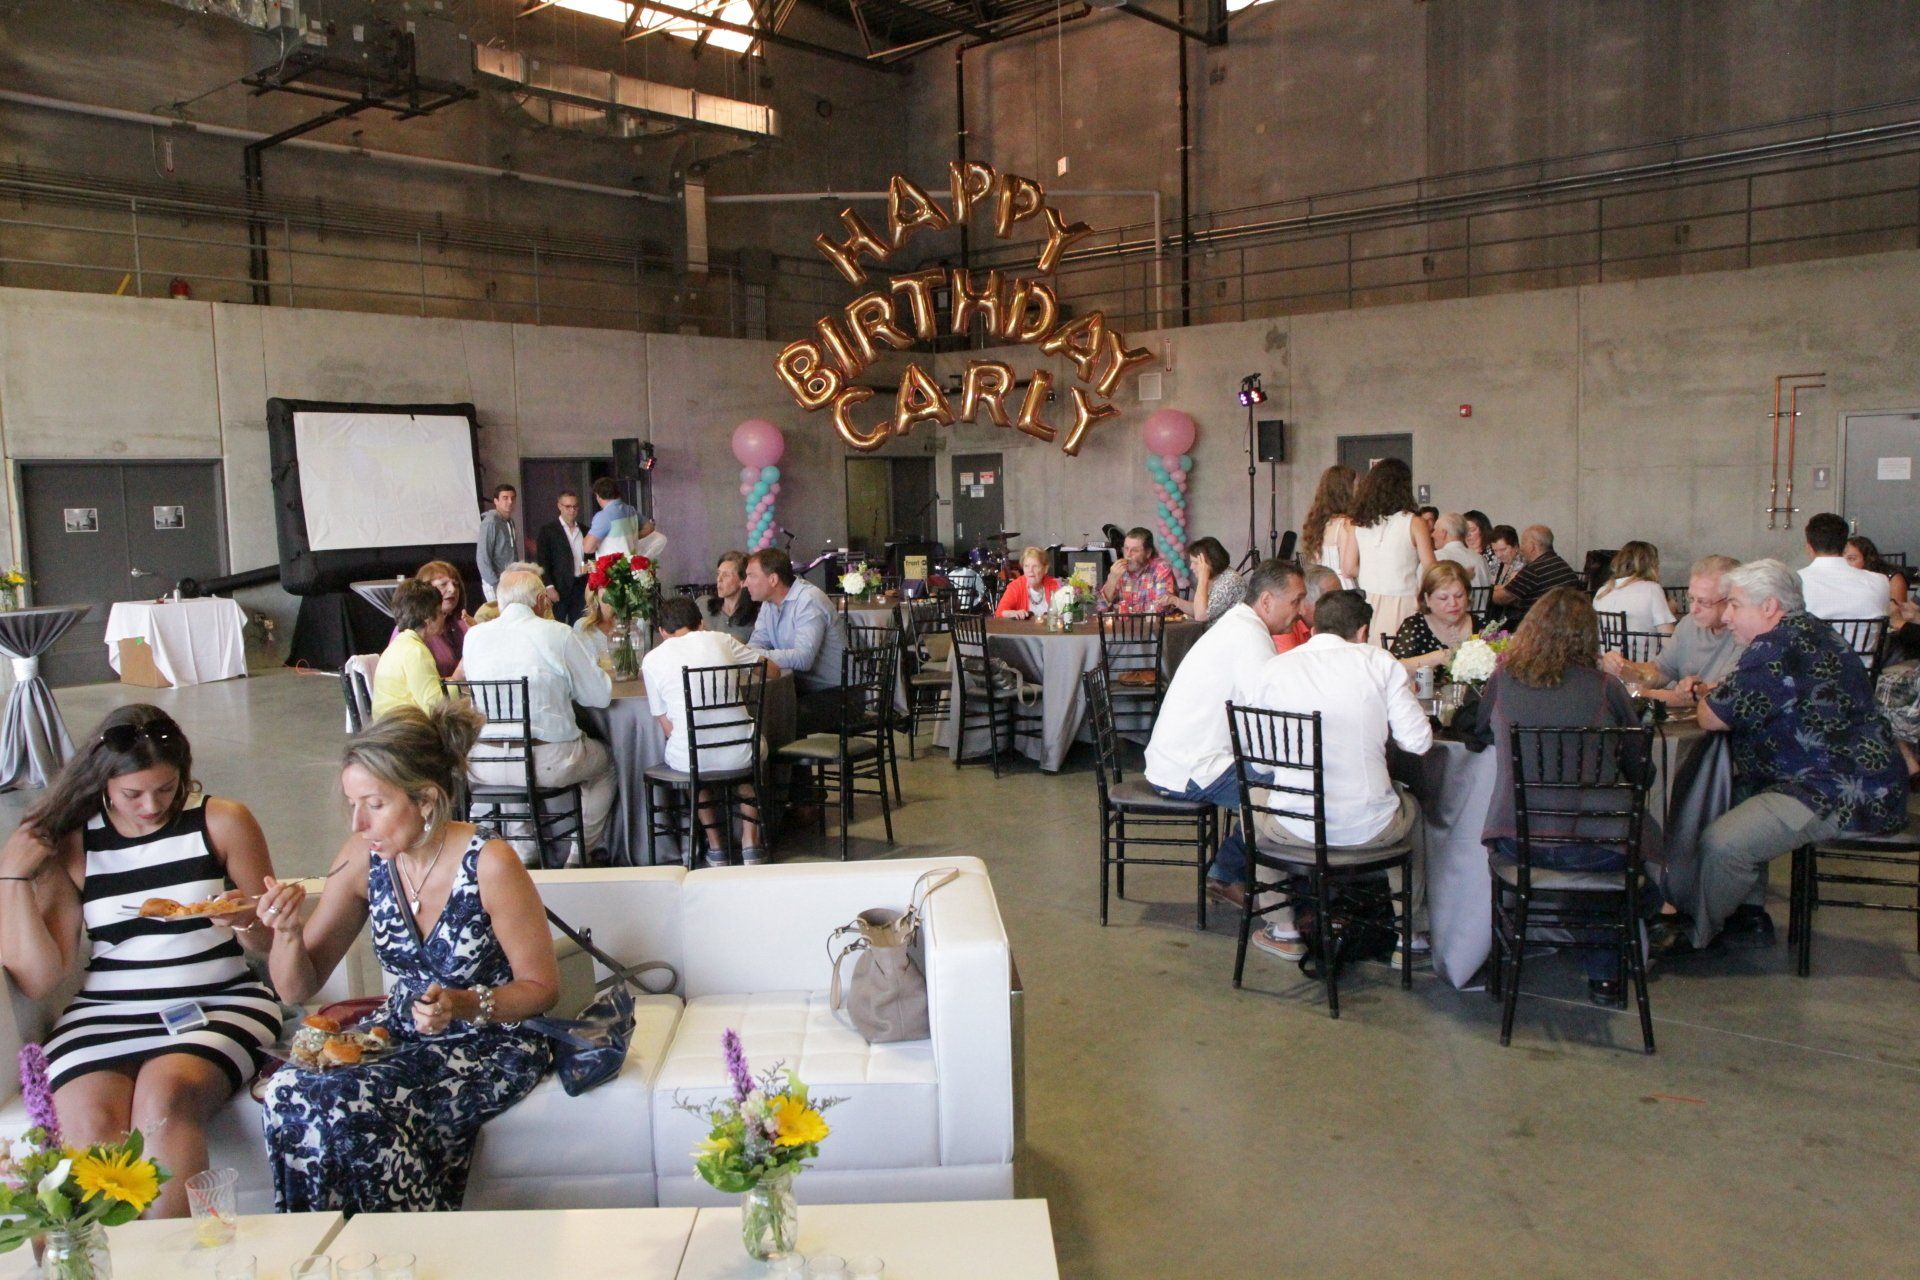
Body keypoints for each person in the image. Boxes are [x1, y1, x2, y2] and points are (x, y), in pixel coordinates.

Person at [256, 704, 558, 1214]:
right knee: (289, 1088)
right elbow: (295, 988)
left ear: (426, 800)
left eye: (373, 804)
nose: (357, 822)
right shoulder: (361, 858)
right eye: (353, 804)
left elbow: (541, 988)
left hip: (490, 1041)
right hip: (400, 1035)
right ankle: (322, 1251)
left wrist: (460, 1004)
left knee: (352, 1099)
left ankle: (406, 1248)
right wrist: (285, 933)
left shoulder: (489, 863)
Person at [0, 706, 282, 1218]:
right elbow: (41, 978)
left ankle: (170, 1262)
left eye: (166, 789)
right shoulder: (77, 842)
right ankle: (106, 1264)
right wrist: (13, 878)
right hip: (105, 1010)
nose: (152, 806)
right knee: (89, 1122)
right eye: (133, 794)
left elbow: (267, 942)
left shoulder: (223, 821)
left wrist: (246, 921)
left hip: (220, 999)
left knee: (166, 1100)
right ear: (103, 783)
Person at [1654, 559, 1906, 957]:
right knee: (1730, 798)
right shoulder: (1813, 631)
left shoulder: (1775, 647)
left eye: (1735, 605)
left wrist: (1709, 696)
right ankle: (1748, 913)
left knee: (1725, 841)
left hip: (1835, 789)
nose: (1728, 616)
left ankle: (1697, 930)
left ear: (1769, 606)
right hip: (1856, 775)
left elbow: (1713, 716)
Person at [1469, 587, 1649, 1008]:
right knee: (1633, 845)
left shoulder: (1502, 681)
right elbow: (1643, 773)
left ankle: (1509, 959)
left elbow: (1479, 732)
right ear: (1589, 637)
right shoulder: (1607, 689)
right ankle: (1606, 976)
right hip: (1594, 847)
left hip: (1518, 840)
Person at [1234, 590, 1433, 962]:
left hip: (1296, 827)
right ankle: (1411, 934)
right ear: (1362, 631)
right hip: (1370, 830)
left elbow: (1259, 763)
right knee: (1412, 809)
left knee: (1253, 803)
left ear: (1313, 625)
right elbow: (1419, 743)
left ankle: (1283, 927)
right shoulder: (1379, 662)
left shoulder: (1275, 668)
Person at [459, 567, 616, 863]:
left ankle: (526, 849)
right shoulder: (558, 633)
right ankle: (578, 854)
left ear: (501, 603)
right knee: (605, 763)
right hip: (547, 760)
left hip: (483, 762)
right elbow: (598, 696)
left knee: (515, 766)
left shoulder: (474, 637)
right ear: (543, 601)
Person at [1145, 559, 1307, 836]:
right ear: (1266, 601)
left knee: (1287, 784)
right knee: (1298, 792)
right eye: (1296, 601)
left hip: (1176, 761)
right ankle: (1234, 871)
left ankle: (1228, 872)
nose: (1301, 611)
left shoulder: (1240, 624)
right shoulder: (1249, 636)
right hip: (1193, 771)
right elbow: (1266, 719)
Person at [642, 596, 781, 866]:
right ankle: (751, 843)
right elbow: (772, 671)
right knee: (748, 751)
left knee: (691, 753)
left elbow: (668, 728)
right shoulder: (722, 639)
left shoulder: (652, 660)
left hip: (692, 758)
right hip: (741, 752)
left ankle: (716, 848)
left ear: (661, 632)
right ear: (701, 624)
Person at [1602, 555, 1743, 703]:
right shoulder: (1689, 624)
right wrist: (1622, 667)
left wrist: (1643, 694)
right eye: (1691, 599)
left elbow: (1718, 696)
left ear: (1731, 600)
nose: (1694, 609)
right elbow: (1660, 671)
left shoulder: (1744, 635)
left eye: (1704, 602)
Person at [745, 546, 849, 734]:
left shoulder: (808, 600)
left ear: (773, 579)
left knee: (769, 720)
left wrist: (752, 655)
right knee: (756, 713)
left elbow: (803, 659)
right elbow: (755, 644)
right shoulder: (768, 604)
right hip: (801, 689)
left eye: (751, 576)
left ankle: (789, 763)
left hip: (837, 695)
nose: (745, 583)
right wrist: (752, 654)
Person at [1339, 458, 1436, 643]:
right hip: (1405, 602)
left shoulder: (1357, 523)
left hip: (1368, 603)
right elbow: (1432, 569)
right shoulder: (1415, 523)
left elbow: (1349, 568)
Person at [372, 580, 450, 719]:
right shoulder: (415, 651)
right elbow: (434, 706)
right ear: (428, 619)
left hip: (388, 727)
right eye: (440, 612)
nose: (444, 617)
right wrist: (460, 681)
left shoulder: (399, 644)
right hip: (405, 732)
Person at [1798, 512, 1890, 621]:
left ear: (1809, 548)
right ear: (1845, 546)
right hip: (1864, 638)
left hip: (1813, 638)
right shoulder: (1879, 581)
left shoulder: (1795, 582)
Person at [1390, 561, 1481, 669]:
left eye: (1459, 596)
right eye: (1443, 598)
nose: (1453, 603)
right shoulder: (1415, 627)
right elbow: (1393, 668)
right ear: (1427, 599)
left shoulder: (1482, 627)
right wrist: (1437, 658)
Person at [1492, 525, 1582, 621]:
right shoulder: (1563, 565)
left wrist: (1490, 589)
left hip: (1539, 627)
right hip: (1566, 624)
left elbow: (1502, 598)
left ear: (1532, 547)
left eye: (1523, 543)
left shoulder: (1533, 570)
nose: (1521, 548)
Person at [1593, 541, 1677, 635]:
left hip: (1608, 650)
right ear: (1652, 566)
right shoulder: (1651, 589)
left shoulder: (1602, 592)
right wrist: (1670, 613)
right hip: (1643, 649)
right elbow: (1668, 638)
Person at [534, 489, 589, 625]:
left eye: (575, 506)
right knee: (557, 624)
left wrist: (589, 580)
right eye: (568, 506)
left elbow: (589, 557)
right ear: (559, 506)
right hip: (559, 586)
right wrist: (549, 586)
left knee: (580, 625)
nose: (572, 510)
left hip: (580, 585)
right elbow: (543, 561)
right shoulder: (548, 530)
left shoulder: (585, 530)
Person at [412, 560, 473, 680]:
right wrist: (458, 675)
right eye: (443, 584)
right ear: (425, 590)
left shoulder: (462, 625)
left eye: (456, 584)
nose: (452, 589)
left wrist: (477, 634)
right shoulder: (412, 629)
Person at [1301, 464, 1358, 589]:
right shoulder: (1346, 524)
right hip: (1341, 585)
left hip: (1318, 585)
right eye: (1356, 486)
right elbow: (1348, 568)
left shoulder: (1316, 522)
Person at [1099, 527, 1178, 614]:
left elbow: (1163, 608)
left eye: (1134, 550)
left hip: (1151, 626)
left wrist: (1125, 610)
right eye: (1126, 548)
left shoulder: (1161, 568)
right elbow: (1100, 609)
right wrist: (1112, 580)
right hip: (1121, 626)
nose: (1128, 555)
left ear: (1148, 553)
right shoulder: (1118, 571)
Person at [1171, 537, 1245, 621]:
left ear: (1211, 562)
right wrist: (1175, 600)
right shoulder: (1214, 577)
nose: (1191, 567)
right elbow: (1197, 608)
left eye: (1196, 563)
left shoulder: (1229, 581)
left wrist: (1202, 579)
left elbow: (1200, 615)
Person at [1275, 564, 1343, 656]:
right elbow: (1293, 667)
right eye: (1333, 601)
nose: (1342, 605)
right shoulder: (1284, 626)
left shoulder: (1339, 620)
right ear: (1305, 603)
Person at [703, 550, 760, 644]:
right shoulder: (703, 605)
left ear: (743, 581)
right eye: (718, 573)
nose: (719, 579)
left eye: (726, 575)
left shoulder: (758, 617)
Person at [475, 484, 519, 605]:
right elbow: (482, 557)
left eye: (512, 498)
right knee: (498, 616)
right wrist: (495, 582)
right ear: (496, 501)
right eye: (505, 498)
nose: (510, 501)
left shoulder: (510, 522)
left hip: (509, 580)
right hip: (495, 581)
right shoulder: (490, 522)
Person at [1844, 534, 1909, 614]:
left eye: (1851, 559)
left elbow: (1899, 614)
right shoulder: (1841, 578)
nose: (1845, 563)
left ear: (1868, 559)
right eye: (1842, 559)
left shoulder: (1892, 578)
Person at [996, 546, 1063, 619]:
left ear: (1045, 569)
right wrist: (1013, 613)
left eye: (1035, 566)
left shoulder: (1055, 584)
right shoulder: (1016, 586)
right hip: (1025, 629)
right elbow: (1000, 612)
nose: (1030, 570)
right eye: (1026, 566)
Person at [582, 477, 640, 559]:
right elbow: (649, 527)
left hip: (613, 568)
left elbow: (587, 548)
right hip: (631, 566)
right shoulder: (631, 510)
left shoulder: (603, 516)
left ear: (598, 495)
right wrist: (628, 539)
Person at [1432, 513, 1492, 589]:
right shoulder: (1480, 559)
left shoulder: (1434, 558)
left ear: (1444, 533)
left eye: (1434, 530)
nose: (1432, 535)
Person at [573, 587, 618, 667]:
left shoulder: (637, 623)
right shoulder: (583, 626)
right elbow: (581, 666)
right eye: (606, 598)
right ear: (596, 597)